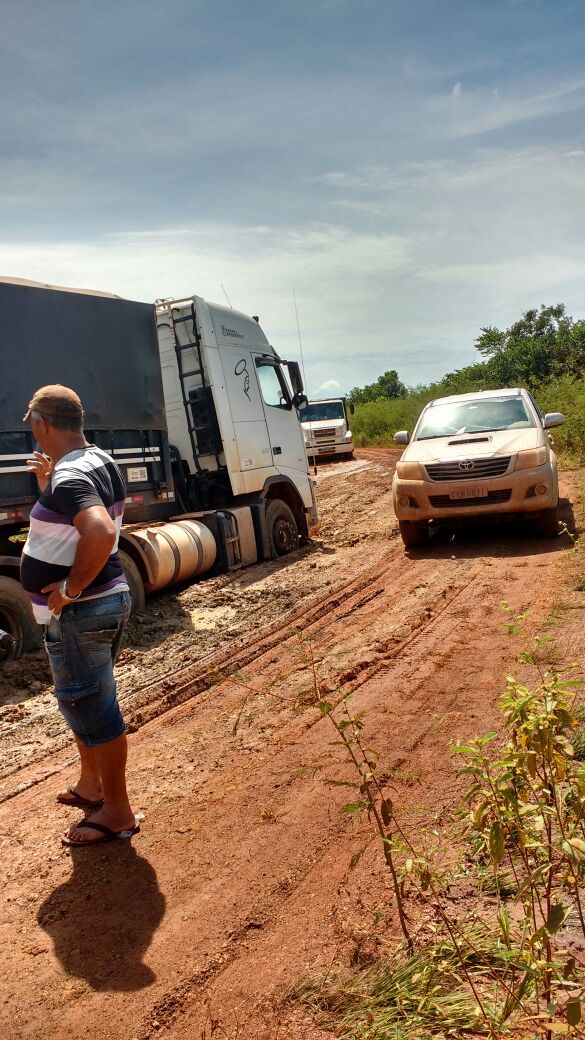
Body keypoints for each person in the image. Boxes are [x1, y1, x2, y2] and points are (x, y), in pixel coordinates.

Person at [21, 384, 138, 847]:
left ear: (41, 423)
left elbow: (99, 529)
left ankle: (116, 811)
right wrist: (49, 486)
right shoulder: (97, 461)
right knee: (84, 699)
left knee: (91, 704)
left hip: (82, 612)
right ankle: (92, 787)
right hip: (105, 600)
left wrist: (70, 589)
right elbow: (79, 519)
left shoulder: (71, 477)